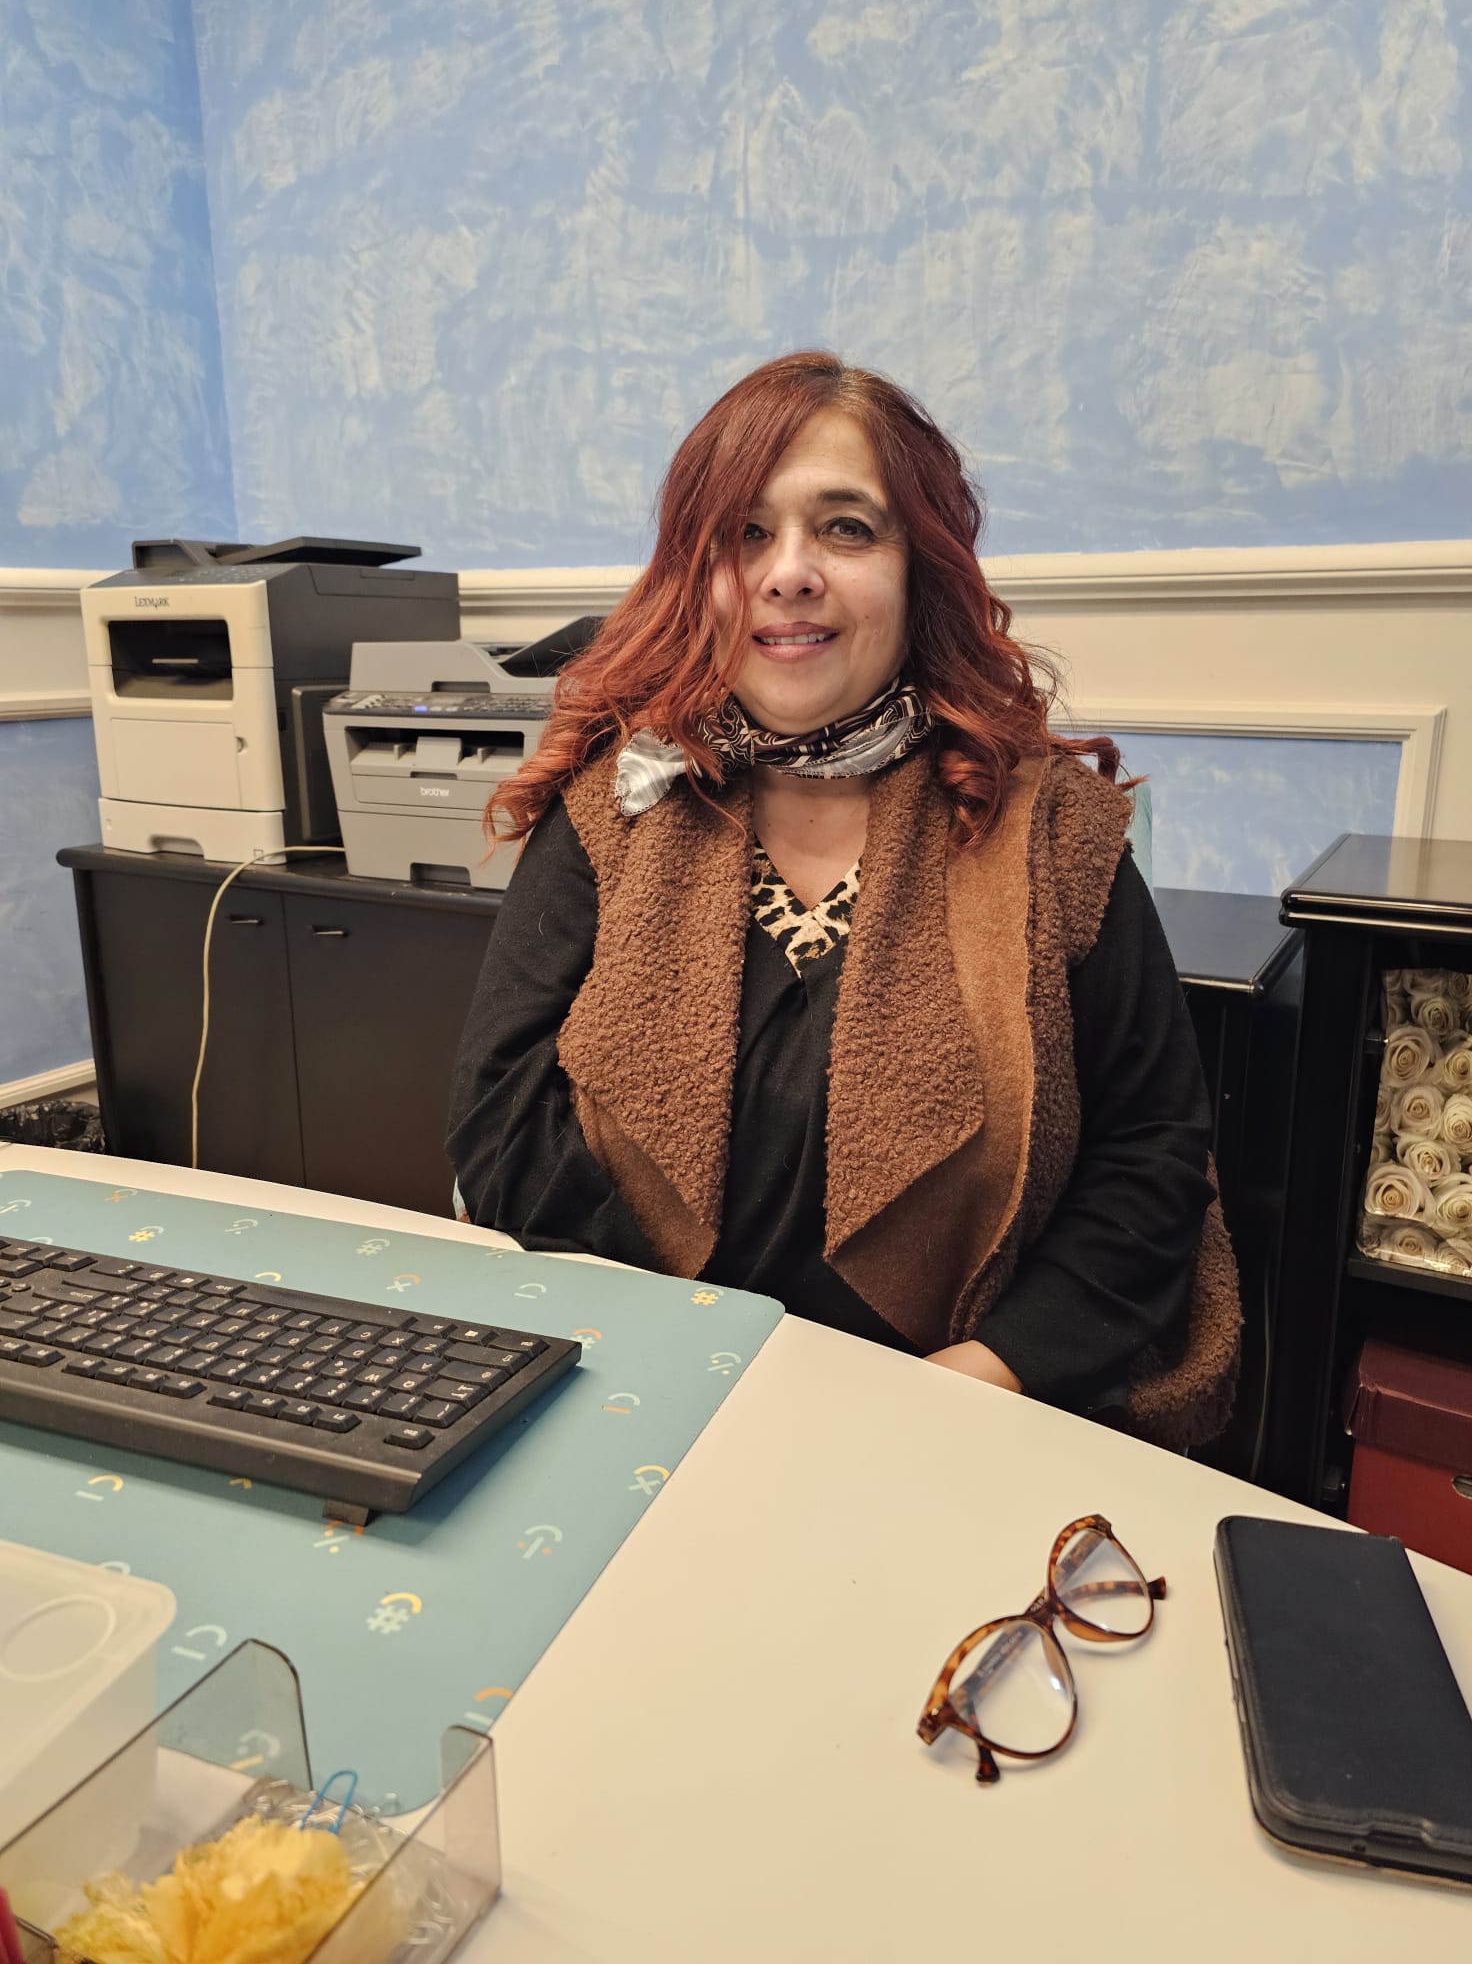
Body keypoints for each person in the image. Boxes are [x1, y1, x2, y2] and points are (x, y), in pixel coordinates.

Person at [447, 351, 1239, 1446]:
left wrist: (982, 1377)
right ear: (697, 574)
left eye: (847, 528)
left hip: (957, 1416)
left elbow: (1151, 1153)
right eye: (745, 533)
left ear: (922, 568)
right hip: (647, 1386)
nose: (788, 573)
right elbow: (500, 1119)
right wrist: (686, 1355)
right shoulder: (616, 802)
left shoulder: (1054, 828)